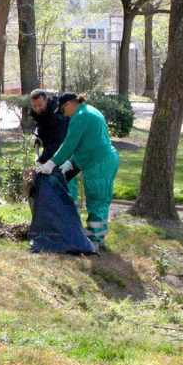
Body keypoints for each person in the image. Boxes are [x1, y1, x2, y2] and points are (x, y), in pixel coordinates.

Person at [36, 93, 119, 250]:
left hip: (99, 163)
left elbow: (70, 144)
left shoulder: (80, 116)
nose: (63, 114)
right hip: (101, 159)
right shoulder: (89, 111)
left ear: (68, 104)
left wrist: (51, 163)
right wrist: (71, 162)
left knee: (97, 200)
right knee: (98, 200)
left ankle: (95, 239)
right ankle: (94, 234)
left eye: (62, 110)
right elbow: (87, 143)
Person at [29, 88, 78, 200]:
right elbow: (42, 128)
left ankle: (71, 212)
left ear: (46, 100)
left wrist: (42, 160)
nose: (37, 109)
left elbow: (57, 142)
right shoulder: (42, 114)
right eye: (34, 106)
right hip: (52, 153)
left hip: (65, 154)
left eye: (40, 105)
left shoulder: (58, 115)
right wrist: (37, 136)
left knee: (66, 186)